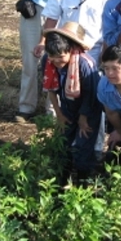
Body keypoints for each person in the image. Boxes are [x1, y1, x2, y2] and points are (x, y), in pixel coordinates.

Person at [41, 22, 103, 183]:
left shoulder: (85, 64)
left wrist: (83, 118)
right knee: (63, 143)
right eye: (52, 57)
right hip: (67, 107)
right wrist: (59, 114)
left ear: (70, 49)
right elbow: (51, 90)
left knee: (83, 146)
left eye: (61, 57)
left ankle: (83, 182)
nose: (57, 62)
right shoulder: (47, 61)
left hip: (89, 109)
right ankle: (63, 180)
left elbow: (91, 95)